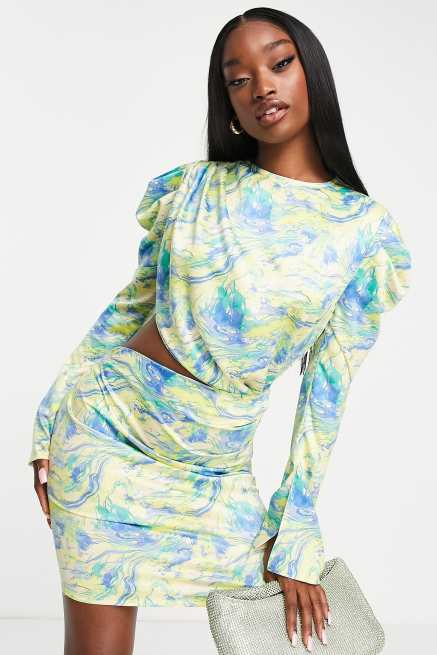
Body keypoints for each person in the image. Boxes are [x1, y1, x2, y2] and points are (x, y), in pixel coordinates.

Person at [29, 8, 413, 654]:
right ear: (228, 104)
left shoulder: (363, 232)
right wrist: (49, 415)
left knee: (278, 635)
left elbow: (326, 390)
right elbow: (128, 310)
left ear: (312, 75)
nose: (262, 85)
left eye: (280, 63)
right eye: (238, 79)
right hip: (105, 433)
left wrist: (295, 527)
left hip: (216, 467)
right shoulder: (194, 188)